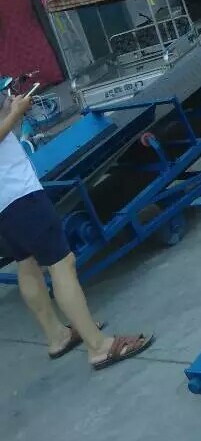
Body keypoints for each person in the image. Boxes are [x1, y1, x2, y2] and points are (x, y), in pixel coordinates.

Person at [0, 89, 153, 368]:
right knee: (62, 264)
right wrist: (15, 113)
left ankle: (57, 336)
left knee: (27, 262)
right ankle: (98, 346)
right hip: (19, 195)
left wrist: (7, 110)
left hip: (4, 203)